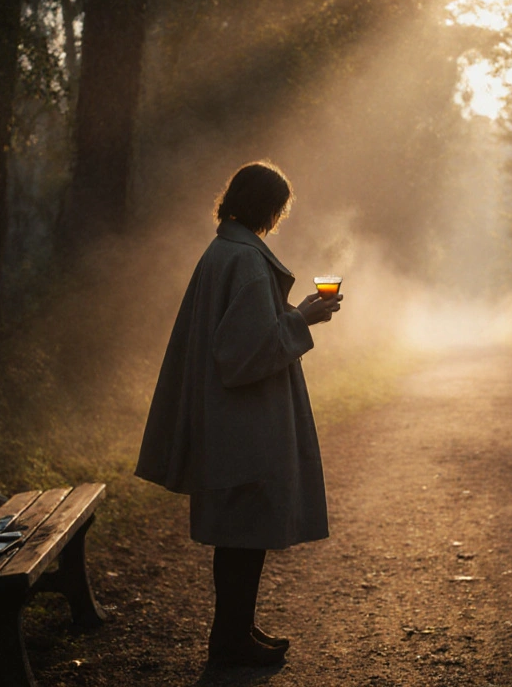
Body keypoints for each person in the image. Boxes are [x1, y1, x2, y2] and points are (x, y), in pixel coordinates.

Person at [135, 161, 341, 667]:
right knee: (243, 533)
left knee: (240, 531)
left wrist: (292, 318)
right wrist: (302, 317)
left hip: (228, 417)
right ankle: (229, 640)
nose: (279, 217)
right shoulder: (245, 261)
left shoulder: (224, 250)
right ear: (268, 207)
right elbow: (243, 354)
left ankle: (236, 629)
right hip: (242, 421)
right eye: (279, 208)